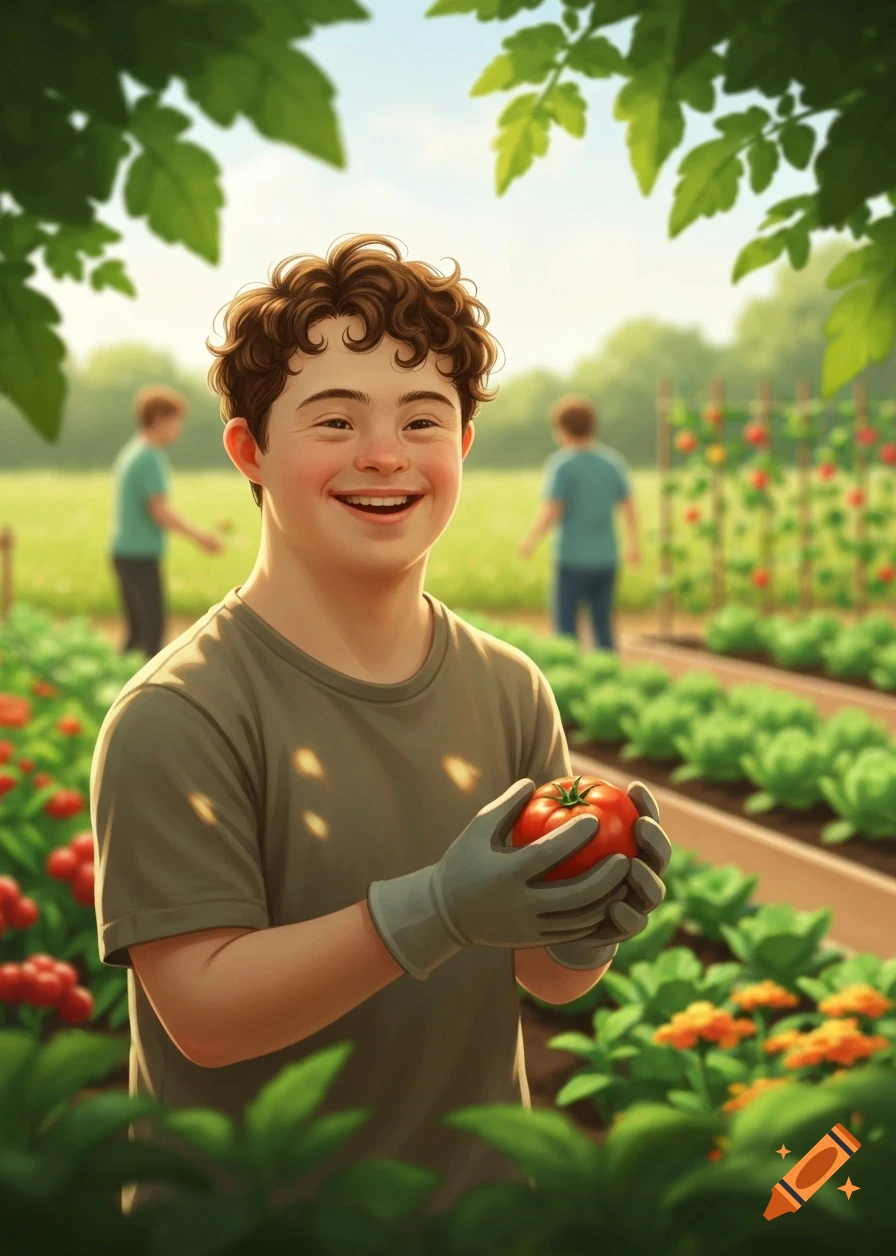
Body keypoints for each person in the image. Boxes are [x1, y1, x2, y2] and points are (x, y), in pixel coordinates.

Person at [90, 235, 671, 1218]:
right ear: (249, 450)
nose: (385, 454)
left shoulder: (509, 687)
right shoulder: (180, 712)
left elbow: (543, 978)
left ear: (462, 446)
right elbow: (205, 1014)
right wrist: (435, 909)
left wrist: (588, 924)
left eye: (422, 419)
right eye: (335, 419)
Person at [109, 385, 223, 659]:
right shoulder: (150, 457)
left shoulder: (132, 451)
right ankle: (139, 686)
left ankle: (116, 680)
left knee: (138, 632)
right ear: (159, 419)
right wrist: (200, 537)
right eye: (176, 421)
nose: (178, 429)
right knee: (152, 631)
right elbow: (159, 511)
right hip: (139, 555)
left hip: (125, 552)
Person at [519, 396, 640, 652]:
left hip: (571, 558)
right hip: (606, 557)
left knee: (566, 627)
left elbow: (552, 510)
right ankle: (607, 669)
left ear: (563, 430)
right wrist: (633, 545)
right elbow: (628, 506)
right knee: (602, 623)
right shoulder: (611, 462)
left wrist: (531, 541)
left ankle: (569, 668)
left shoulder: (563, 465)